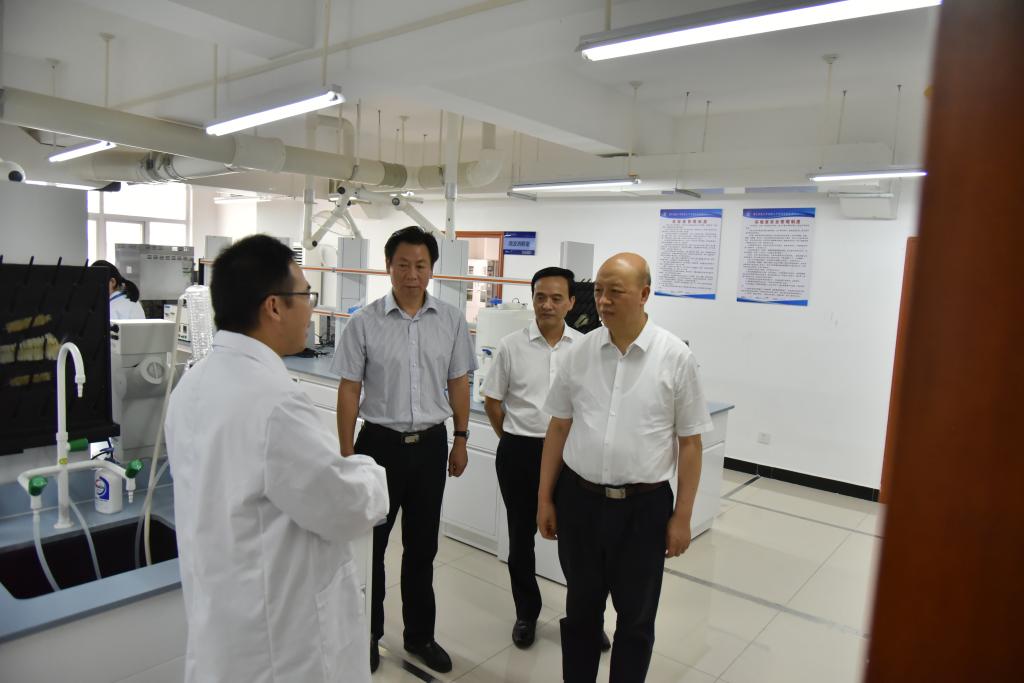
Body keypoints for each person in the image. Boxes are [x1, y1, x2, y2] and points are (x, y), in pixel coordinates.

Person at [165, 234, 389, 683]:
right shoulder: (274, 403)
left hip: (226, 622)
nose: (311, 309)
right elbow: (344, 506)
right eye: (305, 295)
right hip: (281, 646)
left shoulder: (193, 383)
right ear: (273, 307)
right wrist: (369, 470)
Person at [537, 253, 713, 683]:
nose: (603, 300)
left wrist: (683, 517)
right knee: (580, 611)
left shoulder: (675, 357)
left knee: (635, 619)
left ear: (644, 294)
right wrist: (545, 498)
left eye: (615, 291)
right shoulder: (580, 353)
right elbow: (559, 427)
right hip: (580, 501)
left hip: (643, 509)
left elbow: (690, 444)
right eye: (598, 290)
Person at [333, 226, 476, 674]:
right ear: (388, 266)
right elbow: (349, 390)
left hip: (431, 446)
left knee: (422, 547)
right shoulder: (364, 321)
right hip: (378, 447)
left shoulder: (451, 320)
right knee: (370, 549)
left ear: (432, 269)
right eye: (403, 265)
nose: (412, 275)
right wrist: (347, 455)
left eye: (420, 266)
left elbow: (458, 381)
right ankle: (368, 635)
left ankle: (419, 636)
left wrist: (461, 437)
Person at [482, 267, 584, 648]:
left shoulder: (585, 347)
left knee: (578, 544)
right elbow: (492, 401)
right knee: (520, 539)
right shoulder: (511, 345)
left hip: (571, 457)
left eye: (557, 298)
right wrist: (511, 438)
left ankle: (584, 617)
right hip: (521, 451)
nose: (547, 305)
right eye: (541, 297)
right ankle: (527, 613)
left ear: (571, 303)